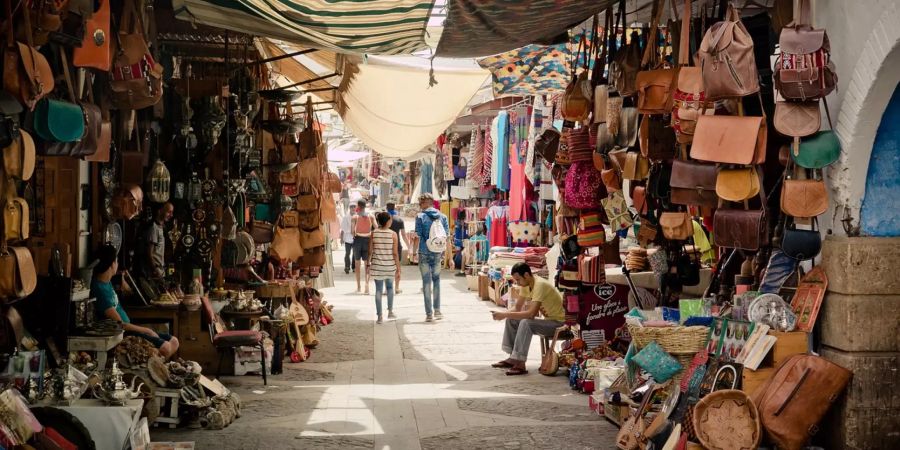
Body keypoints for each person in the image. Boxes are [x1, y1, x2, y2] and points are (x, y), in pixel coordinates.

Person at [91, 244, 180, 358]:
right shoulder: (99, 289)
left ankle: (156, 363)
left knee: (174, 341)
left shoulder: (107, 281)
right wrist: (146, 330)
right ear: (112, 264)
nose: (117, 264)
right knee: (166, 347)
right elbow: (120, 324)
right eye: (116, 261)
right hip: (124, 333)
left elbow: (127, 289)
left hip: (130, 327)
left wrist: (123, 279)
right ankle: (153, 365)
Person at [490, 262, 565, 376]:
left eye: (518, 280)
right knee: (512, 320)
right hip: (549, 321)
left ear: (526, 275)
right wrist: (503, 314)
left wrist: (504, 315)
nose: (517, 283)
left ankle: (520, 362)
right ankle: (512, 358)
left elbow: (531, 314)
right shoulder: (526, 285)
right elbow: (517, 307)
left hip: (560, 324)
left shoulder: (540, 285)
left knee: (526, 323)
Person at [414, 193, 449, 322]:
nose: (420, 206)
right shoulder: (443, 217)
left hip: (424, 252)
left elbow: (417, 236)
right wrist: (448, 257)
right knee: (437, 281)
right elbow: (447, 238)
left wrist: (413, 252)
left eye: (420, 203)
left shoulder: (420, 216)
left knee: (426, 283)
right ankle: (438, 311)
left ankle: (429, 314)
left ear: (426, 202)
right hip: (437, 253)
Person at [368, 212, 399, 323]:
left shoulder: (373, 233)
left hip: (377, 266)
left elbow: (370, 251)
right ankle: (390, 312)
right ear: (387, 221)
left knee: (378, 290)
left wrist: (368, 264)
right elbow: (395, 253)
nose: (391, 221)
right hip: (390, 266)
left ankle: (379, 316)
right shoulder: (393, 234)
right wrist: (398, 268)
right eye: (390, 220)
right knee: (390, 288)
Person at [139, 202, 174, 280]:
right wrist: (155, 269)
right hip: (154, 273)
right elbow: (149, 253)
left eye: (172, 213)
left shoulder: (162, 228)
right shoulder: (154, 228)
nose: (171, 215)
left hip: (161, 271)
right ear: (160, 211)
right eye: (169, 212)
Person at [351, 199, 375, 294]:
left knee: (357, 264)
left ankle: (358, 286)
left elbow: (352, 231)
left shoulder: (355, 217)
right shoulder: (371, 216)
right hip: (368, 240)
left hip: (358, 240)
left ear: (358, 206)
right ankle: (367, 285)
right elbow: (376, 228)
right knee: (367, 264)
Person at [386, 202, 409, 292]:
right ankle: (396, 287)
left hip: (386, 245)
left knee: (386, 267)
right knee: (397, 267)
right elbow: (403, 235)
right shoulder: (399, 220)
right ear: (395, 208)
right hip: (397, 246)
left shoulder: (384, 219)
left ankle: (387, 288)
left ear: (387, 208)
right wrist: (409, 246)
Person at [452, 209, 468, 275]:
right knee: (463, 252)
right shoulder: (465, 222)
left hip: (459, 239)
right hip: (464, 239)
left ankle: (460, 265)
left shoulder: (457, 222)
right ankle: (461, 265)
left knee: (459, 252)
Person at [340, 208, 355, 274]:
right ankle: (347, 266)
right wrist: (341, 238)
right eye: (352, 206)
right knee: (347, 253)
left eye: (354, 206)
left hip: (355, 238)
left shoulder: (357, 217)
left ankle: (354, 267)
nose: (353, 208)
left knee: (355, 254)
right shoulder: (345, 217)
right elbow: (342, 228)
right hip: (347, 238)